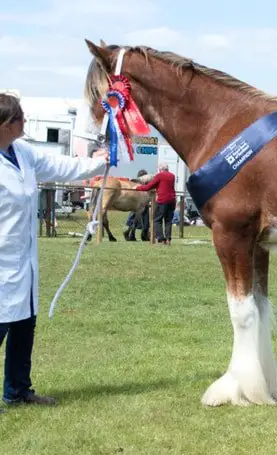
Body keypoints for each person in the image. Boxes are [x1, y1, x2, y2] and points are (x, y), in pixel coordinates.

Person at [0, 93, 110, 412]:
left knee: (23, 326)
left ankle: (18, 390)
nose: (25, 121)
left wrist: (100, 160)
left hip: (22, 259)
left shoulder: (22, 152)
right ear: (6, 124)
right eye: (20, 117)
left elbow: (61, 166)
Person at [135, 163, 176, 245]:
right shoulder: (172, 176)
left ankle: (161, 239)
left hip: (162, 201)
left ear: (160, 169)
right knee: (168, 221)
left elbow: (148, 187)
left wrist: (137, 188)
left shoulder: (159, 176)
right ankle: (168, 239)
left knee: (157, 220)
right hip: (172, 200)